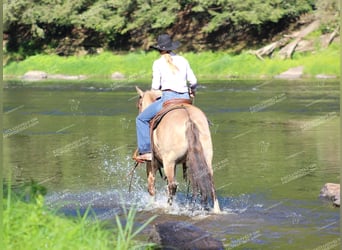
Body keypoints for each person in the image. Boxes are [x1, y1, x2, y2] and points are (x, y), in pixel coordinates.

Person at [135, 34, 198, 162]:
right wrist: (192, 90)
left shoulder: (158, 63)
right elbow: (193, 81)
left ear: (159, 49)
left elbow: (155, 87)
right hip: (186, 99)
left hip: (168, 99)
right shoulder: (183, 60)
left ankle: (146, 151)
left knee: (141, 119)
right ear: (172, 47)